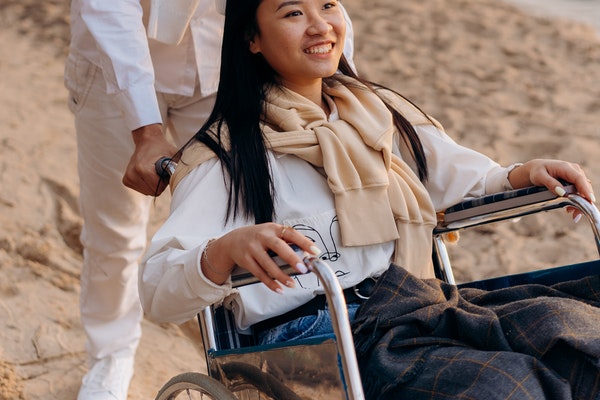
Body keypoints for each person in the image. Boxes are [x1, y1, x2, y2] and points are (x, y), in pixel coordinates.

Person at [139, 0, 600, 398]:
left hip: (416, 304)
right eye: (294, 12)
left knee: (572, 336)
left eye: (329, 5)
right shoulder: (224, 156)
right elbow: (158, 290)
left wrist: (520, 174)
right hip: (315, 337)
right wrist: (223, 251)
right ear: (251, 37)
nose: (320, 25)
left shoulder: (373, 113)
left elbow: (459, 174)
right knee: (506, 386)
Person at [64, 0, 355, 398]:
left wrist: (343, 77)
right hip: (112, 68)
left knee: (242, 220)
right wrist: (145, 129)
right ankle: (110, 355)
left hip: (225, 64)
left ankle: (245, 364)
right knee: (114, 230)